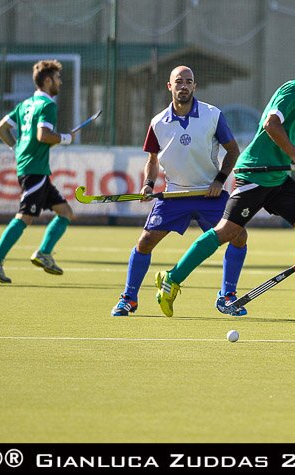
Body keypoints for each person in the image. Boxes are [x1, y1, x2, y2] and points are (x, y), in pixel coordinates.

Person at [154, 47, 295, 318]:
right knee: (226, 232)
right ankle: (172, 279)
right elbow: (270, 124)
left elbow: (278, 133)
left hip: (276, 176)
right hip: (256, 173)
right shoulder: (294, 90)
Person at [111, 66, 248, 317]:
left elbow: (232, 151)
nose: (184, 86)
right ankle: (128, 298)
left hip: (210, 193)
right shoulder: (157, 122)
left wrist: (219, 180)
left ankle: (227, 295)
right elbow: (152, 161)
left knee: (238, 236)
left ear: (194, 86)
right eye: (179, 82)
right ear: (169, 86)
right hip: (174, 195)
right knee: (145, 242)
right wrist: (148, 185)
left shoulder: (212, 115)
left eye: (189, 82)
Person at [0, 60, 76, 283]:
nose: (60, 82)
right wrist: (65, 138)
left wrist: (17, 147)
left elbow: (1, 129)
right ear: (48, 80)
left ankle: (44, 253)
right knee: (25, 217)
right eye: (58, 78)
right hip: (35, 169)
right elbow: (43, 136)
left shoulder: (25, 104)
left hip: (33, 167)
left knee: (66, 212)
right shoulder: (48, 105)